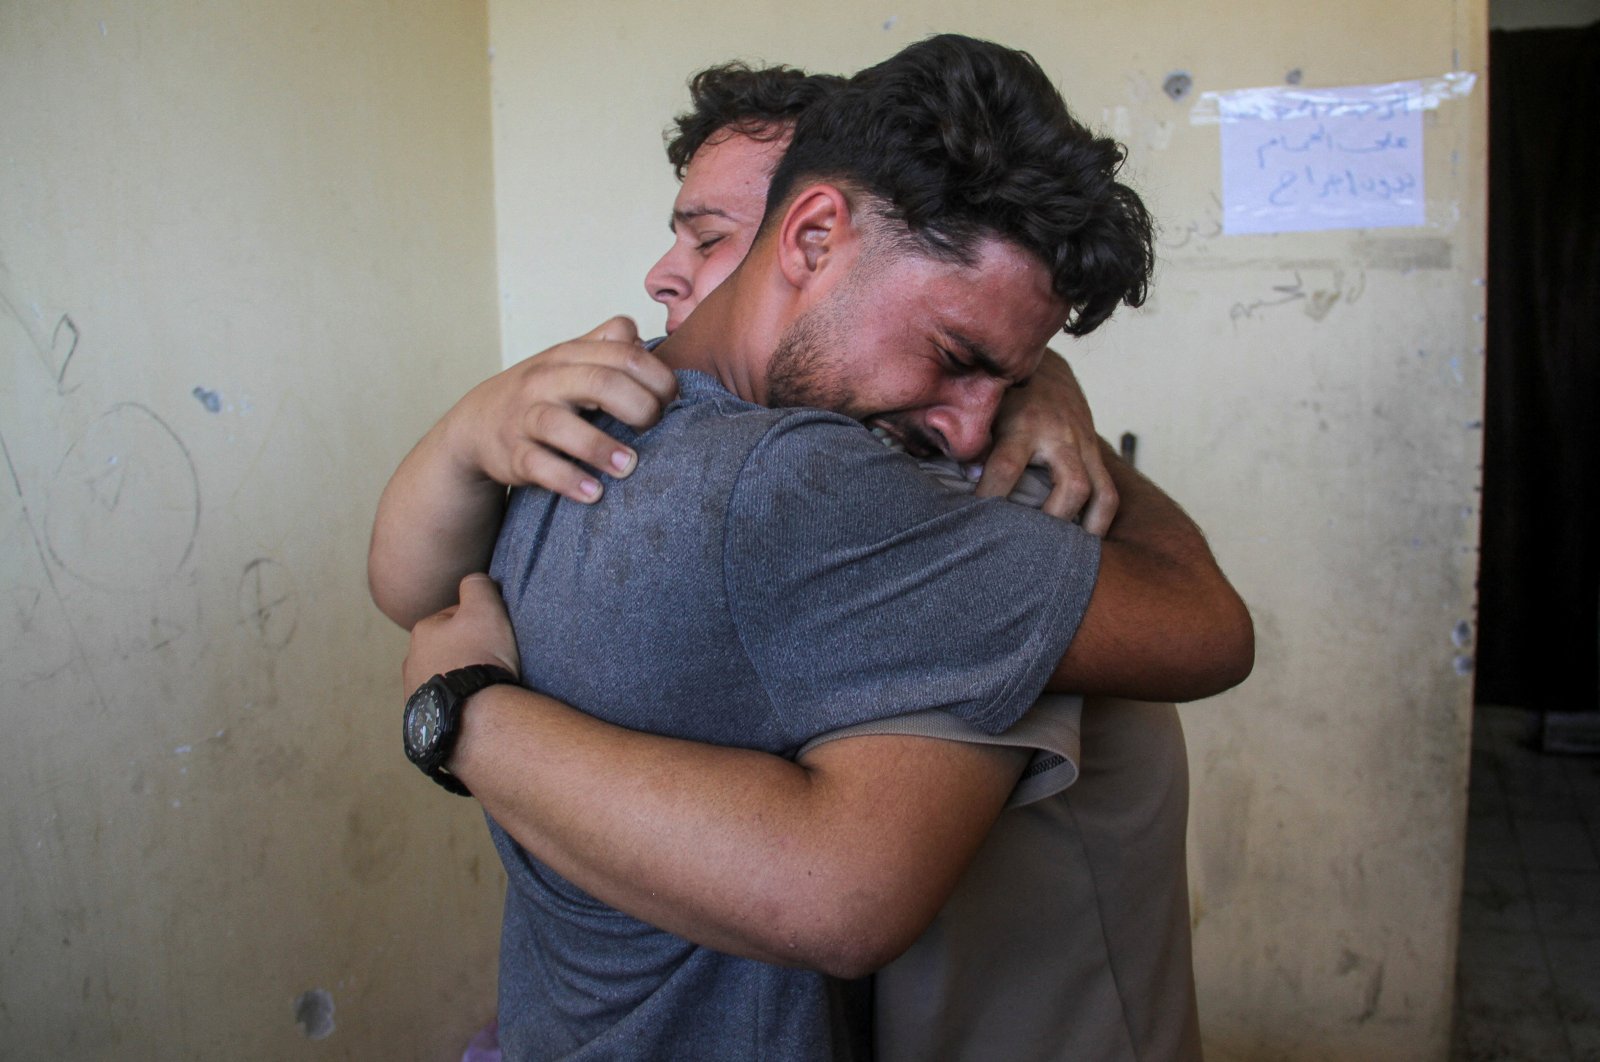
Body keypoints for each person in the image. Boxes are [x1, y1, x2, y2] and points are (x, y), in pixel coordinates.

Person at [374, 34, 1252, 1061]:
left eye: (1007, 380)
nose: (971, 430)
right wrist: (1072, 429)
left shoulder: (569, 411)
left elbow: (411, 590)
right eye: (956, 356)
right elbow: (1208, 629)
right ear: (813, 234)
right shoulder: (812, 489)